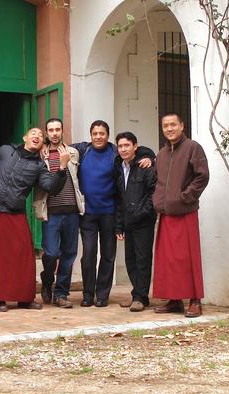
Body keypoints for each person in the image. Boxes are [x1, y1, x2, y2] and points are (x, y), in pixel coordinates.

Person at [0, 127, 70, 312]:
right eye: (33, 133)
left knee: (23, 255)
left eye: (40, 136)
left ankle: (24, 298)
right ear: (25, 137)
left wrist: (62, 168)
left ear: (43, 143)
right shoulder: (6, 150)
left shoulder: (39, 165)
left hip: (14, 210)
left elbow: (51, 187)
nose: (37, 136)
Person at [72, 120, 155, 308]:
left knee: (108, 255)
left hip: (109, 213)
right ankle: (88, 294)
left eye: (102, 133)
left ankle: (102, 295)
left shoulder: (115, 153)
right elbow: (61, 146)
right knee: (89, 254)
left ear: (107, 136)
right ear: (90, 135)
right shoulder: (83, 150)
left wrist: (150, 157)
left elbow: (140, 150)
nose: (98, 137)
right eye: (95, 133)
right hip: (88, 213)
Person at [153, 112, 209, 318]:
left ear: (182, 126)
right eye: (165, 126)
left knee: (189, 258)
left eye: (173, 124)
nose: (169, 129)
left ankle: (195, 300)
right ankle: (174, 300)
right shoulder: (161, 154)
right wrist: (158, 200)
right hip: (166, 213)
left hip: (185, 212)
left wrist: (185, 197)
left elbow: (202, 176)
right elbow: (158, 181)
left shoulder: (193, 148)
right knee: (168, 259)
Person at [33, 118, 84, 308]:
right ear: (46, 133)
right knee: (51, 252)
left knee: (69, 254)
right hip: (51, 212)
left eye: (57, 129)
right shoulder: (41, 155)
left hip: (71, 211)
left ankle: (61, 293)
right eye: (51, 130)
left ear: (63, 131)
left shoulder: (73, 153)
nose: (54, 133)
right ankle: (47, 280)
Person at [114, 131, 156, 312]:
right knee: (130, 260)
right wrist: (119, 225)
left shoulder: (145, 166)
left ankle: (140, 297)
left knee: (142, 260)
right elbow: (119, 198)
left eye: (127, 145)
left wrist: (142, 212)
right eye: (120, 146)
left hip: (143, 221)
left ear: (135, 147)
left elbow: (153, 193)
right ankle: (137, 295)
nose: (123, 149)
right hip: (128, 222)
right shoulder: (119, 167)